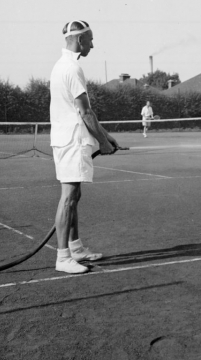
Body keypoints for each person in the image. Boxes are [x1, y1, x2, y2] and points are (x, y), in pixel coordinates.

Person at [50, 20, 119, 274]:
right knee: (68, 198)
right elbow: (85, 111)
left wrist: (106, 136)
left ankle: (75, 248)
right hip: (72, 141)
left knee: (74, 196)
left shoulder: (62, 66)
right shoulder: (71, 68)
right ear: (80, 41)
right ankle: (62, 257)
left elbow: (84, 113)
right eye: (90, 39)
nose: (92, 44)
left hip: (69, 139)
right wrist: (102, 141)